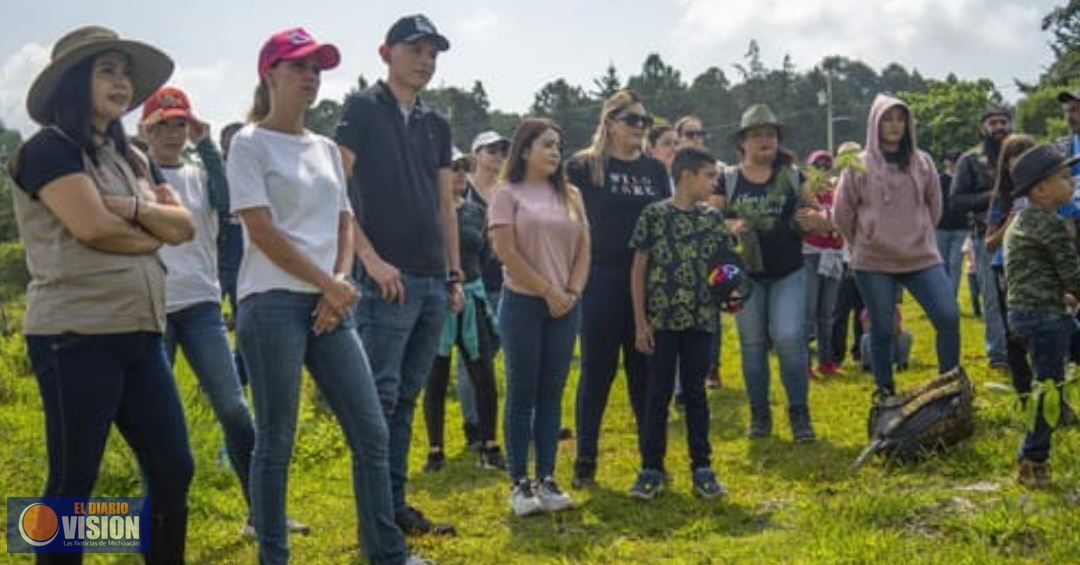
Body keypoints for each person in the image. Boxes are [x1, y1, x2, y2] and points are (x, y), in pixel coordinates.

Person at [227, 28, 424, 564]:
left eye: (317, 68)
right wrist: (327, 283)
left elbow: (344, 221)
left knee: (370, 429)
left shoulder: (325, 150)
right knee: (277, 439)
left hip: (331, 303)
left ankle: (386, 553)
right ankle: (275, 554)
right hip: (270, 304)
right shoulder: (247, 143)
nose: (311, 77)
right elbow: (261, 229)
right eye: (299, 67)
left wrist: (339, 285)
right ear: (270, 75)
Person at [9, 25, 195, 563]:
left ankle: (137, 545)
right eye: (106, 70)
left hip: (140, 331)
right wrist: (147, 228)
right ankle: (49, 533)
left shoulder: (131, 158)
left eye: (125, 71)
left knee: (173, 467)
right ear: (73, 82)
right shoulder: (47, 150)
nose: (122, 82)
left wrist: (131, 208)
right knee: (73, 481)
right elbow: (92, 228)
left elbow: (183, 226)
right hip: (74, 336)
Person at [141, 86, 295, 539]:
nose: (172, 133)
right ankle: (156, 523)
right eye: (161, 124)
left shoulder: (200, 172)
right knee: (154, 423)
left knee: (234, 409)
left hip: (202, 304)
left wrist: (207, 143)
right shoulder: (136, 175)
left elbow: (229, 204)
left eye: (179, 123)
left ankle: (260, 515)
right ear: (145, 130)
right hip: (153, 309)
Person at [333, 14, 462, 536]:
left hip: (433, 277)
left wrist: (454, 272)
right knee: (379, 401)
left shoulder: (438, 122)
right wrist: (369, 258)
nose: (427, 60)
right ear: (386, 53)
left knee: (407, 397)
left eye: (433, 52)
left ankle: (394, 503)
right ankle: (376, 522)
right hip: (385, 278)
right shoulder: (362, 108)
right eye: (416, 50)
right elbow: (335, 190)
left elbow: (446, 204)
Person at [567, 90, 670, 488]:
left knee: (644, 368)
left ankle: (651, 461)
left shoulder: (655, 171)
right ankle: (585, 460)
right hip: (601, 275)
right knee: (598, 369)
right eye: (631, 120)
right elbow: (569, 223)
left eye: (644, 121)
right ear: (609, 122)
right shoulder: (583, 166)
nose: (639, 128)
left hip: (646, 278)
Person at [490, 117, 590, 516]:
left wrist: (571, 293)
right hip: (523, 304)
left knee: (551, 393)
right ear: (525, 149)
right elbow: (506, 252)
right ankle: (519, 483)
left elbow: (585, 248)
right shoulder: (506, 193)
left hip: (566, 305)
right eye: (546, 144)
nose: (554, 152)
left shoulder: (572, 195)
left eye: (558, 145)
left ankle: (547, 478)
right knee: (521, 393)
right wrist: (548, 291)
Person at [833, 94, 960, 400]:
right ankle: (885, 390)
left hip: (921, 256)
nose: (894, 125)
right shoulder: (858, 166)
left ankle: (949, 385)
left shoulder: (923, 162)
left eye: (899, 119)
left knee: (948, 315)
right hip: (874, 260)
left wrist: (918, 232)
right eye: (887, 119)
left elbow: (935, 208)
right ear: (875, 124)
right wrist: (863, 239)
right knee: (881, 327)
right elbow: (842, 213)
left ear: (908, 124)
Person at [718, 104, 829, 442]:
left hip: (788, 272)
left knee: (788, 339)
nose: (765, 140)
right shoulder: (729, 179)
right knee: (752, 345)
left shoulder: (794, 176)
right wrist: (731, 225)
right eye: (757, 134)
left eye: (771, 134)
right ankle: (759, 415)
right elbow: (709, 218)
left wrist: (814, 218)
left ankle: (799, 415)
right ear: (742, 143)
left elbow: (817, 213)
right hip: (745, 277)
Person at [628, 146, 731, 501]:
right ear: (686, 176)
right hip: (661, 321)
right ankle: (650, 468)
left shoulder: (712, 219)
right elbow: (639, 268)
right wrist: (640, 321)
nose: (714, 182)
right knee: (657, 394)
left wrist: (734, 294)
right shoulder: (654, 215)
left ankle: (702, 466)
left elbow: (725, 267)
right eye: (708, 175)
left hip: (700, 321)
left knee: (696, 394)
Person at [1002, 144, 1080, 489]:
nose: (1071, 182)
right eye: (1064, 178)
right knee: (1048, 390)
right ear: (1041, 190)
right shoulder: (1048, 223)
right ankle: (1032, 460)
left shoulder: (1023, 219)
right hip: (1044, 319)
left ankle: (1032, 457)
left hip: (1030, 314)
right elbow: (1073, 276)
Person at [422, 149, 506, 472]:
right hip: (439, 300)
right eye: (453, 168)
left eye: (464, 168)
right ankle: (435, 448)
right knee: (437, 377)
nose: (459, 174)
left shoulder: (474, 212)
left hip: (473, 296)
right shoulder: (428, 211)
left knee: (483, 373)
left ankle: (490, 443)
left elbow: (485, 253)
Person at [454, 129, 510, 450]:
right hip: (475, 283)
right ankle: (473, 424)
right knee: (471, 357)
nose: (497, 155)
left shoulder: (507, 190)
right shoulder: (466, 188)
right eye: (490, 149)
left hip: (506, 280)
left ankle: (512, 419)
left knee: (504, 353)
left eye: (502, 149)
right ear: (476, 154)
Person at [951, 105, 1013, 370]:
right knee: (992, 296)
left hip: (1021, 235)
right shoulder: (970, 159)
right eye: (993, 123)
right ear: (983, 128)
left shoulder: (1020, 153)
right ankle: (998, 355)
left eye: (1003, 122)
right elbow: (956, 200)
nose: (998, 127)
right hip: (984, 236)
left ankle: (1022, 349)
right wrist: (992, 197)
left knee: (1019, 294)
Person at [984, 134, 1037, 398]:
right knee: (1014, 332)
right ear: (1006, 165)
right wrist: (1009, 224)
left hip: (1039, 268)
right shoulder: (1002, 199)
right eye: (1017, 162)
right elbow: (989, 244)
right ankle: (1024, 391)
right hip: (1006, 267)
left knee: (1042, 329)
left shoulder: (1045, 192)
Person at [802, 150, 845, 377]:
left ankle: (826, 361)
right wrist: (829, 221)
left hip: (833, 254)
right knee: (808, 314)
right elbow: (808, 223)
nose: (822, 170)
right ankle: (805, 364)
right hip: (810, 254)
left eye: (826, 166)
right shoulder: (805, 191)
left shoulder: (837, 190)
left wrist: (826, 221)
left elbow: (843, 219)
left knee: (826, 314)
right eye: (817, 166)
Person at [936, 149, 967, 296]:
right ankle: (943, 297)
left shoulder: (964, 180)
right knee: (942, 264)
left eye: (957, 161)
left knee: (955, 265)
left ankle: (950, 298)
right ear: (946, 162)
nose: (954, 164)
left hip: (961, 228)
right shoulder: (939, 180)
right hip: (941, 227)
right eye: (952, 161)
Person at [857, 306, 913, 372]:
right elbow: (867, 329)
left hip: (892, 343)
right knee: (865, 337)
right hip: (876, 345)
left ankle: (902, 364)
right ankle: (867, 365)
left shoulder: (894, 309)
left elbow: (897, 328)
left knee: (906, 335)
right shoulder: (867, 311)